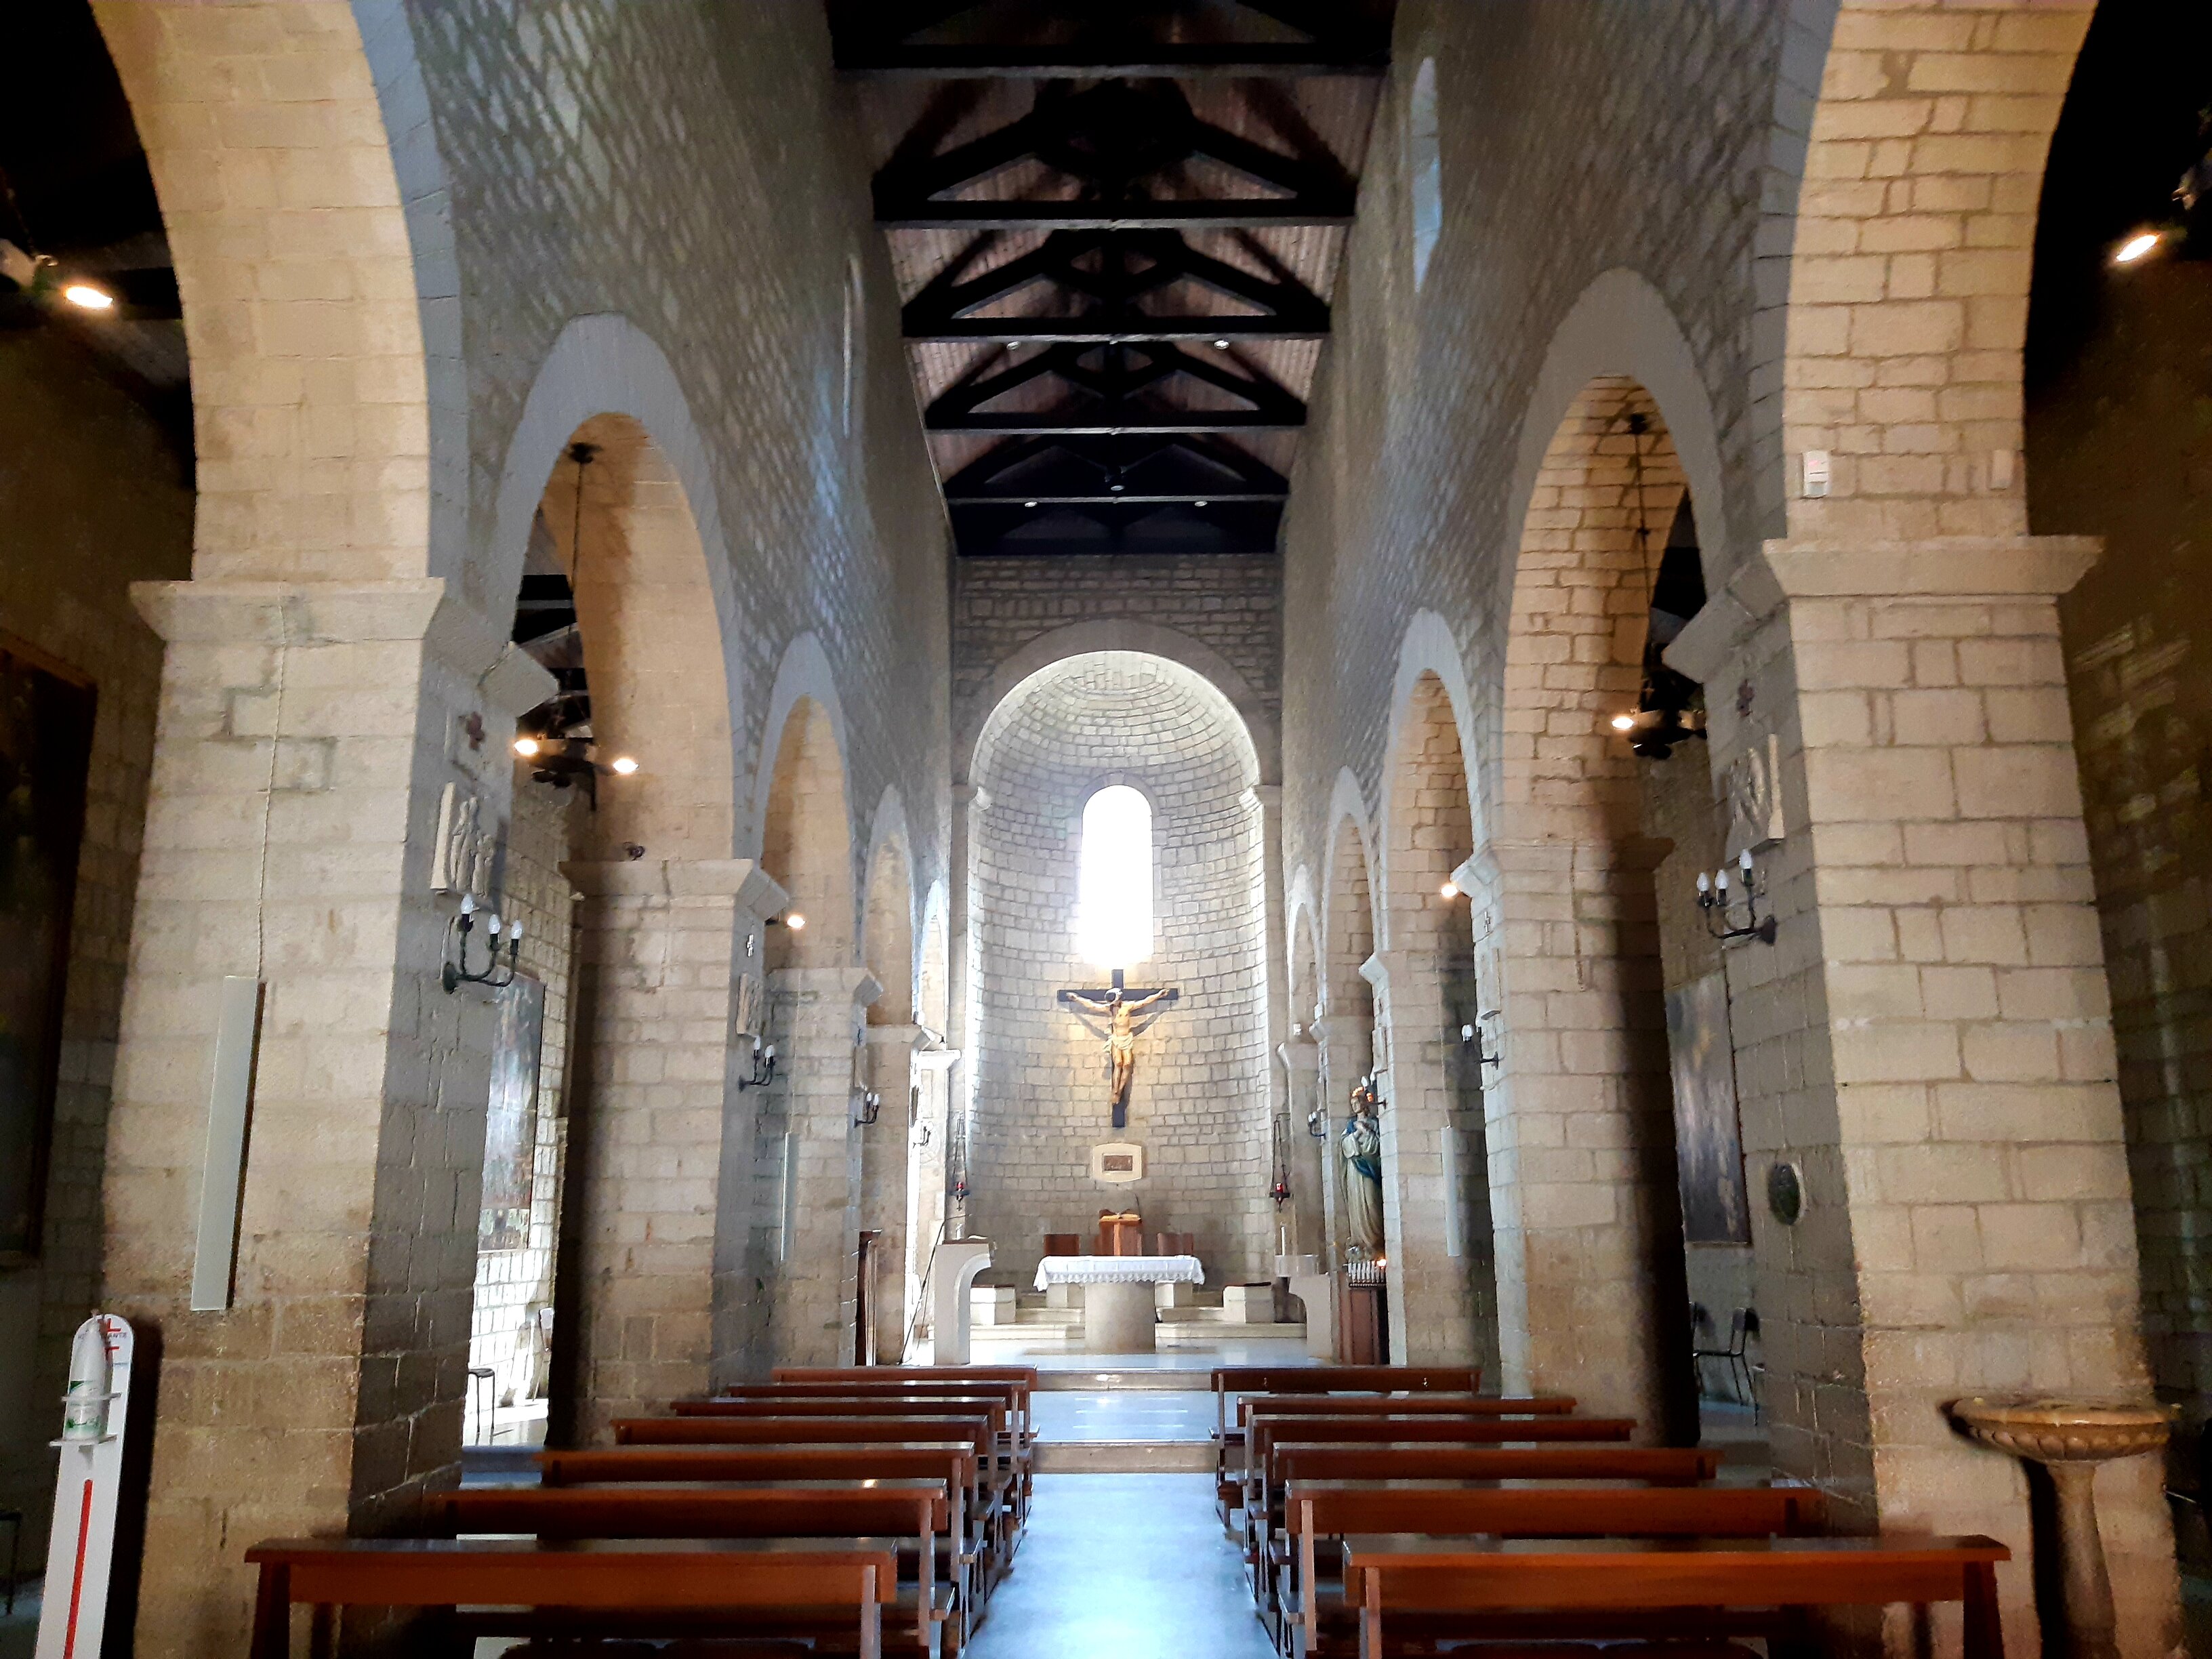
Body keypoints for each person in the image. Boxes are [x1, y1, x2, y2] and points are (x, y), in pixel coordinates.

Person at [1340, 1082, 1385, 1256]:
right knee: (1357, 1204)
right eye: (1353, 1104)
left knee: (1372, 1202)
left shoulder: (1374, 1123)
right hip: (1355, 1169)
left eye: (1358, 1103)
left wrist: (1366, 1132)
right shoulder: (1351, 1126)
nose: (1355, 1106)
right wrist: (1357, 1133)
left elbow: (1377, 1146)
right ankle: (1360, 1241)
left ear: (1365, 1104)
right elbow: (1344, 1146)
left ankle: (1376, 1241)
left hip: (1370, 1170)